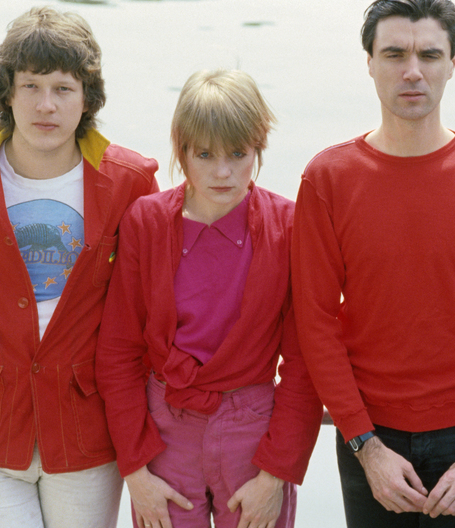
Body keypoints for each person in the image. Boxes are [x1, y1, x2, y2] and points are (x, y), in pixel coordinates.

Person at [0, 6, 159, 528]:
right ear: (6, 93)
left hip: (86, 422)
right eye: (31, 85)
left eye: (63, 88)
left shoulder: (132, 180)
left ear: (87, 97)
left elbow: (149, 302)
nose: (46, 105)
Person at [291, 1, 455, 526]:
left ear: (453, 62)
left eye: (429, 54)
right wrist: (365, 446)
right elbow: (314, 320)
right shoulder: (328, 178)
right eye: (394, 53)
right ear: (369, 62)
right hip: (368, 434)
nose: (412, 71)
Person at [95, 69, 324, 528]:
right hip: (164, 431)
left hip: (253, 433)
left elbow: (304, 362)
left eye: (238, 154)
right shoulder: (146, 221)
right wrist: (136, 471)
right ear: (181, 150)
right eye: (204, 155)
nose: (223, 172)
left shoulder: (289, 226)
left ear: (258, 147)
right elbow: (118, 351)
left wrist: (276, 474)